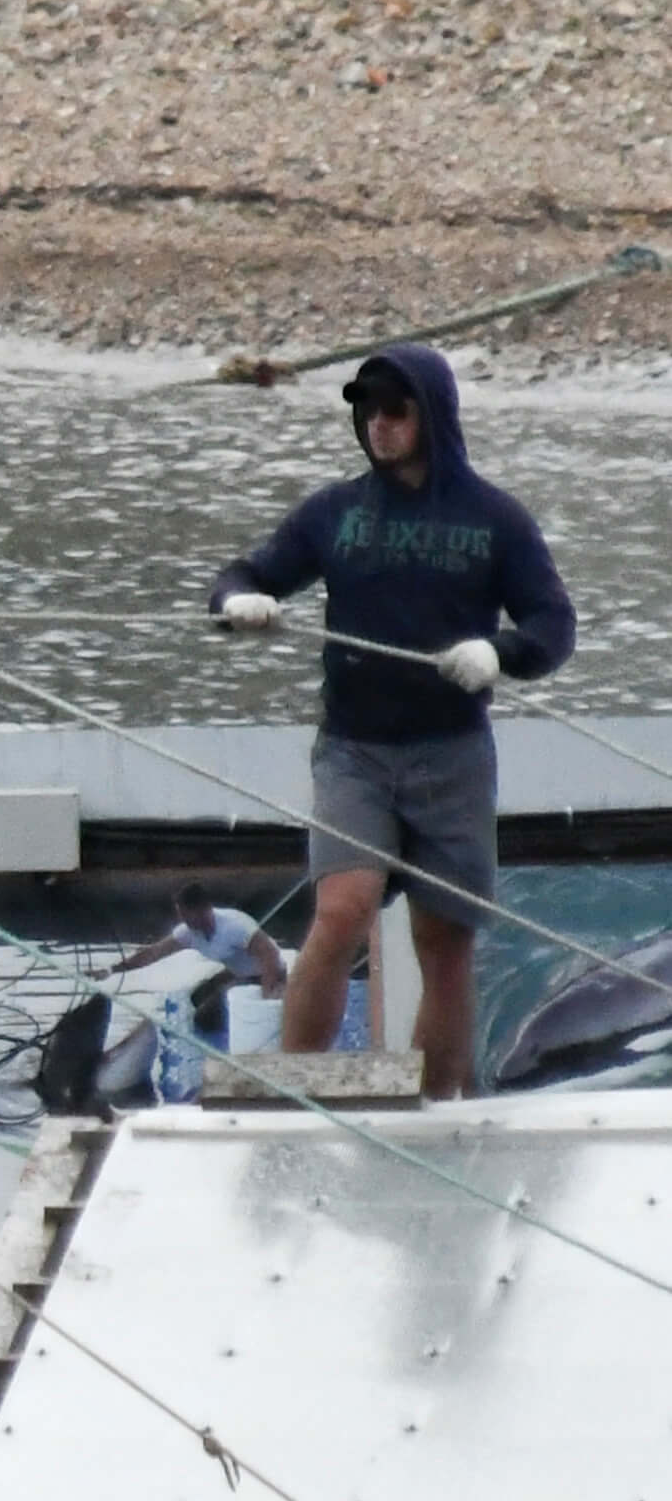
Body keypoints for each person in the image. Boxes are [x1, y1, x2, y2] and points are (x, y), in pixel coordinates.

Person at [209, 344, 573, 1100]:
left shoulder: (494, 519)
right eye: (366, 409)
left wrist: (497, 653)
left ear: (431, 415)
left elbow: (552, 624)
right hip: (354, 755)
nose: (378, 423)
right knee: (340, 910)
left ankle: (439, 1106)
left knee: (443, 944)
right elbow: (241, 573)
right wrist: (236, 603)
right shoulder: (333, 514)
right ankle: (294, 1092)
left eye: (394, 409)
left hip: (453, 756)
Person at [106, 880, 289, 995]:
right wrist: (112, 970)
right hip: (238, 973)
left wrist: (267, 994)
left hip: (270, 974)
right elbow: (153, 953)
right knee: (197, 997)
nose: (183, 921)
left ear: (204, 909)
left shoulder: (234, 925)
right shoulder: (188, 931)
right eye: (181, 916)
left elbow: (270, 954)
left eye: (187, 915)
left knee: (207, 1018)